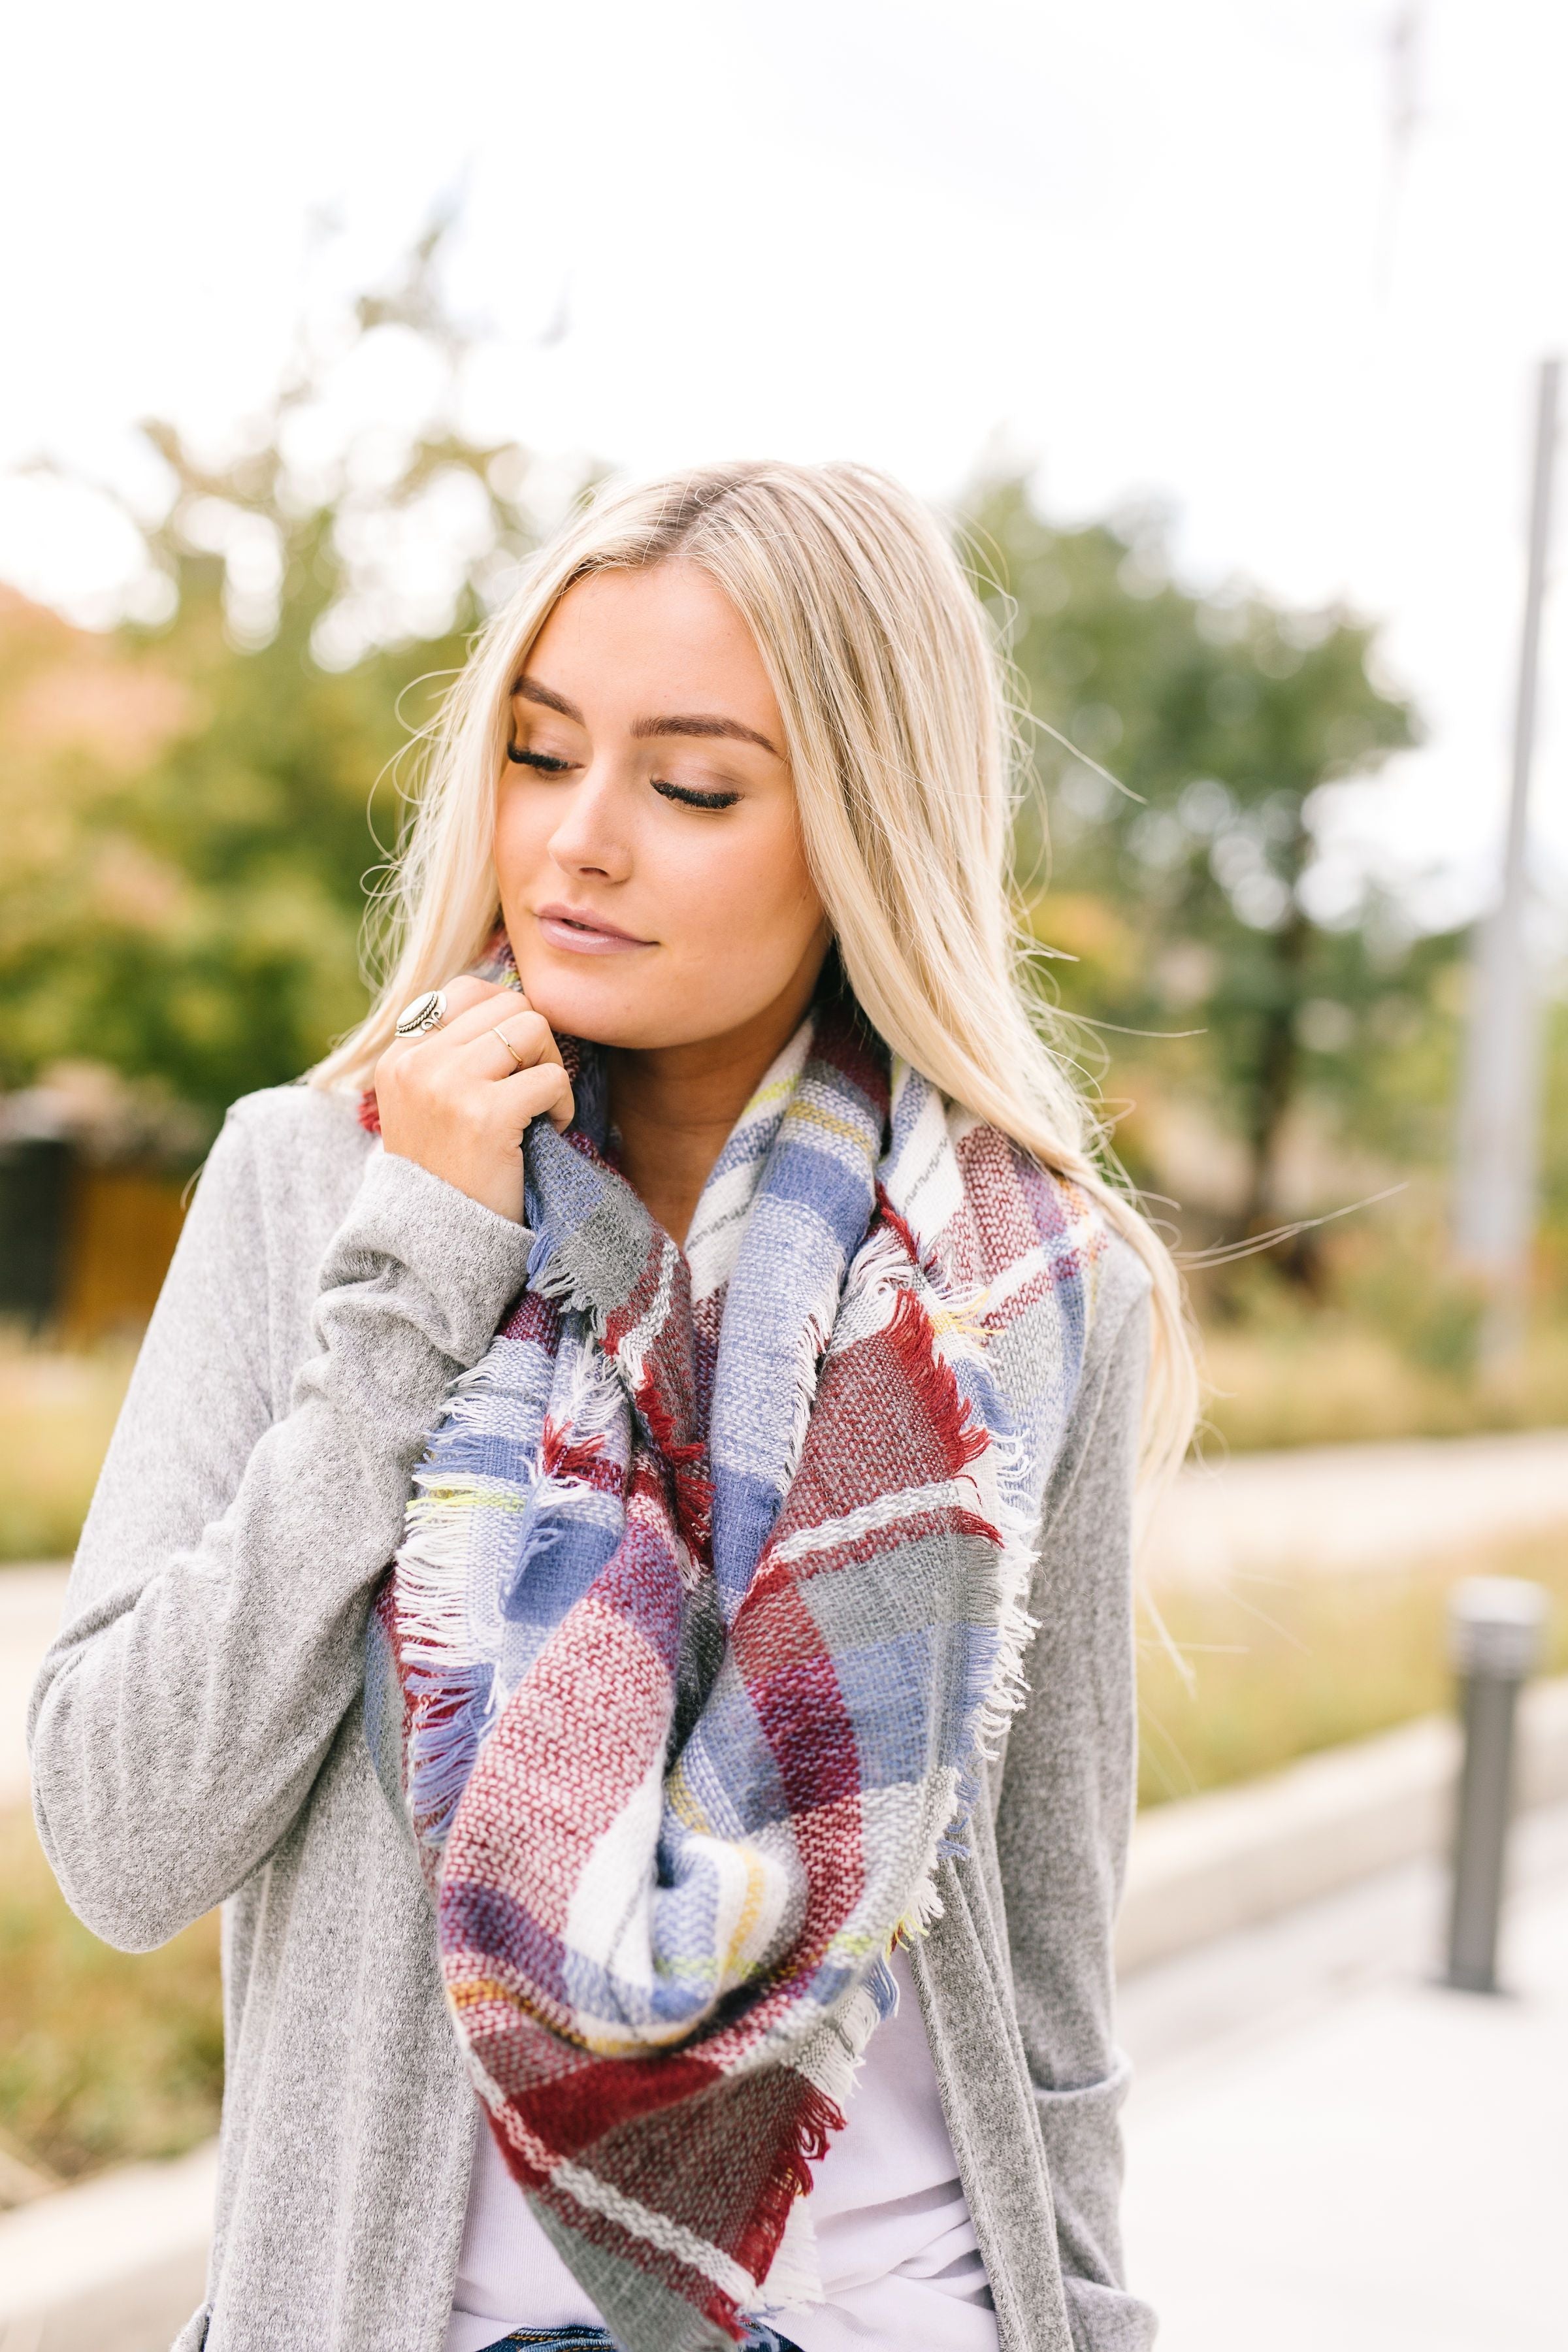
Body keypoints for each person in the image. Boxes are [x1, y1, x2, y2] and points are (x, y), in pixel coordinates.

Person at [29, 461, 1194, 2352]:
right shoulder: (320, 1186)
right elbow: (122, 1835)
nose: (577, 840)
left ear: (865, 830)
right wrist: (413, 1286)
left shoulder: (1030, 1284)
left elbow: (1054, 1977)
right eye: (539, 753)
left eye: (692, 786)